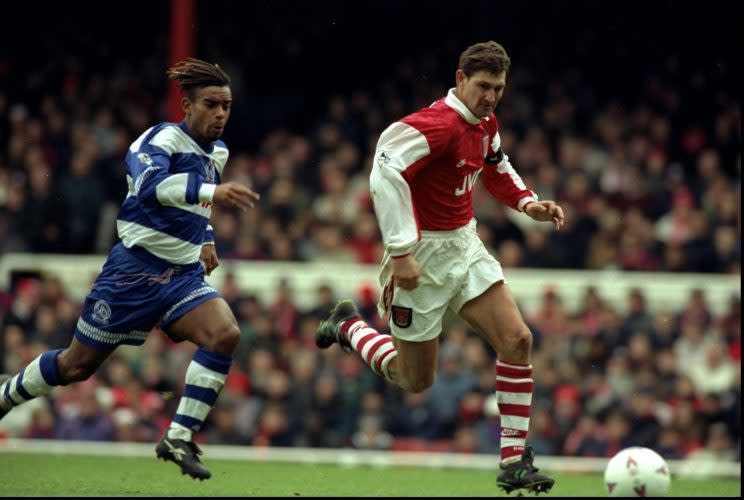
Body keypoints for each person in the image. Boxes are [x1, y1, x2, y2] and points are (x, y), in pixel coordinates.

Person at [315, 41, 563, 495]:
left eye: (499, 88)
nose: (490, 96)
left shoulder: (485, 123)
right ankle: (349, 326)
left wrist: (528, 203)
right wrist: (403, 250)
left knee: (518, 339)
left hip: (464, 244)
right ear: (461, 79)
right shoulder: (438, 125)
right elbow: (384, 169)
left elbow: (495, 164)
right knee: (414, 380)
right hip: (421, 256)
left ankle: (512, 462)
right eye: (484, 86)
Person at [0, 58, 259, 480]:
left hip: (180, 277)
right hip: (132, 273)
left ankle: (178, 436)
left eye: (226, 106)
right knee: (75, 367)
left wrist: (207, 237)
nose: (220, 114)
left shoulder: (220, 152)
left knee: (225, 334)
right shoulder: (158, 139)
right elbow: (152, 187)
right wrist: (213, 190)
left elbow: (196, 203)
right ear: (187, 104)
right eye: (211, 104)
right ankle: (6, 395)